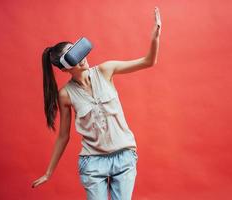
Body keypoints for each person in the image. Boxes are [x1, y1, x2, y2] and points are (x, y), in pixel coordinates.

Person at [32, 6, 162, 200]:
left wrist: (155, 37)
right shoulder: (66, 94)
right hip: (92, 162)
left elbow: (148, 61)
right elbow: (63, 136)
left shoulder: (105, 70)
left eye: (77, 50)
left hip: (124, 156)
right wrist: (49, 172)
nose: (80, 58)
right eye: (72, 57)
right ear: (64, 68)